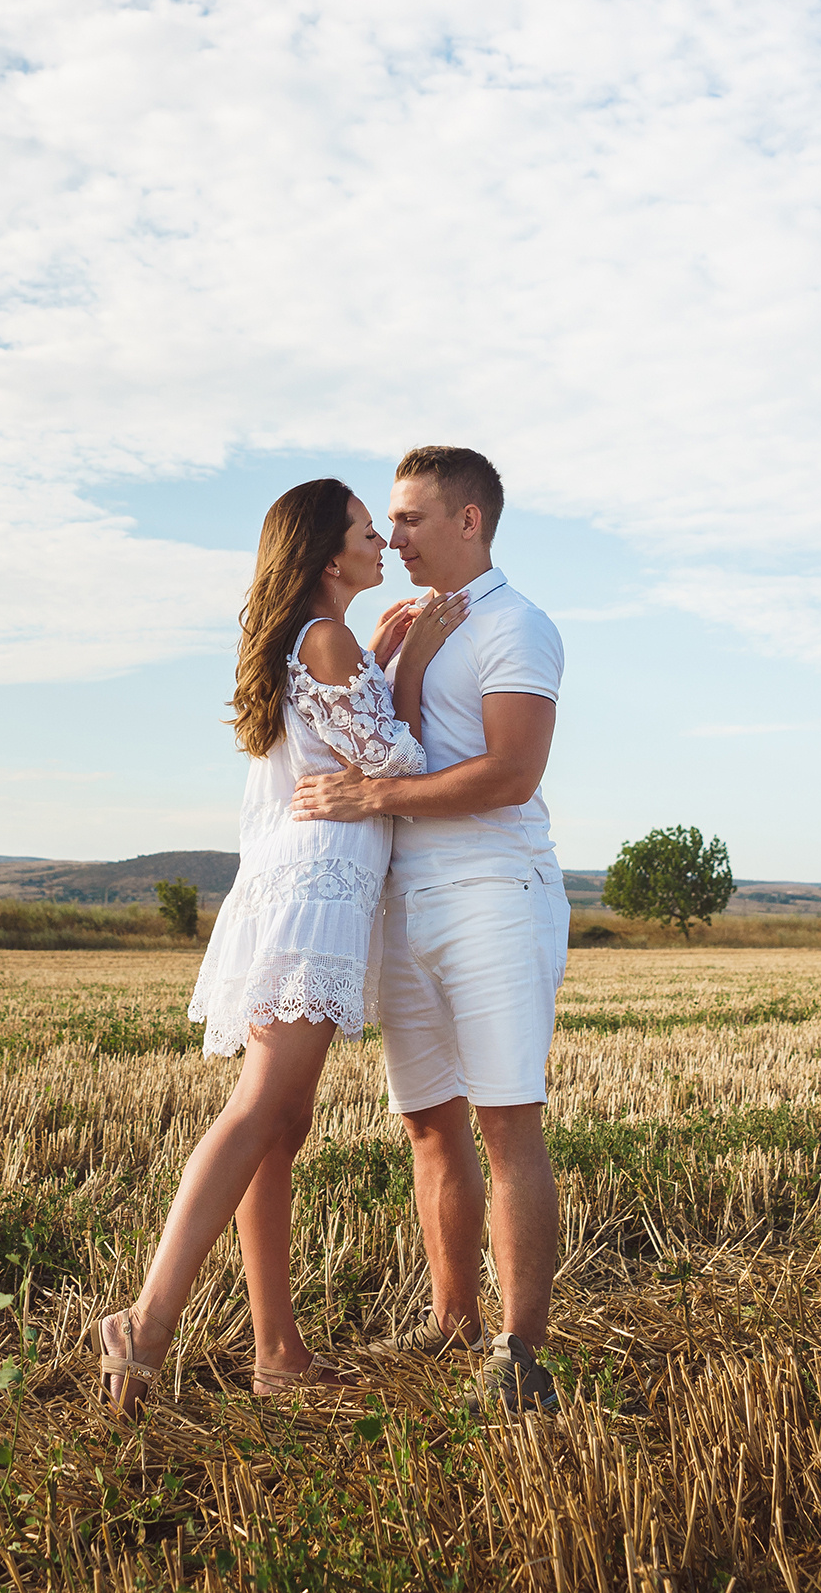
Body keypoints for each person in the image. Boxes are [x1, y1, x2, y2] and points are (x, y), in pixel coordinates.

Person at [95, 477, 470, 1416]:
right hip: (318, 894)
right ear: (323, 553)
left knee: (279, 1126)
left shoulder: (312, 640)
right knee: (262, 1110)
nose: (381, 539)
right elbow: (400, 762)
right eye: (361, 529)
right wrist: (415, 655)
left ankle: (277, 1352)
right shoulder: (327, 637)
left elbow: (352, 740)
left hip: (294, 887)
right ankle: (145, 1324)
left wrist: (380, 661)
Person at [291, 445, 568, 1415]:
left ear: (469, 522)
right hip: (405, 900)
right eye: (388, 521)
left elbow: (510, 772)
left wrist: (376, 791)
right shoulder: (402, 627)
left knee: (505, 1120)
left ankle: (518, 1350)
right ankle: (451, 1318)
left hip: (495, 889)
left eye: (409, 518)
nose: (392, 536)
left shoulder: (518, 626)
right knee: (427, 1124)